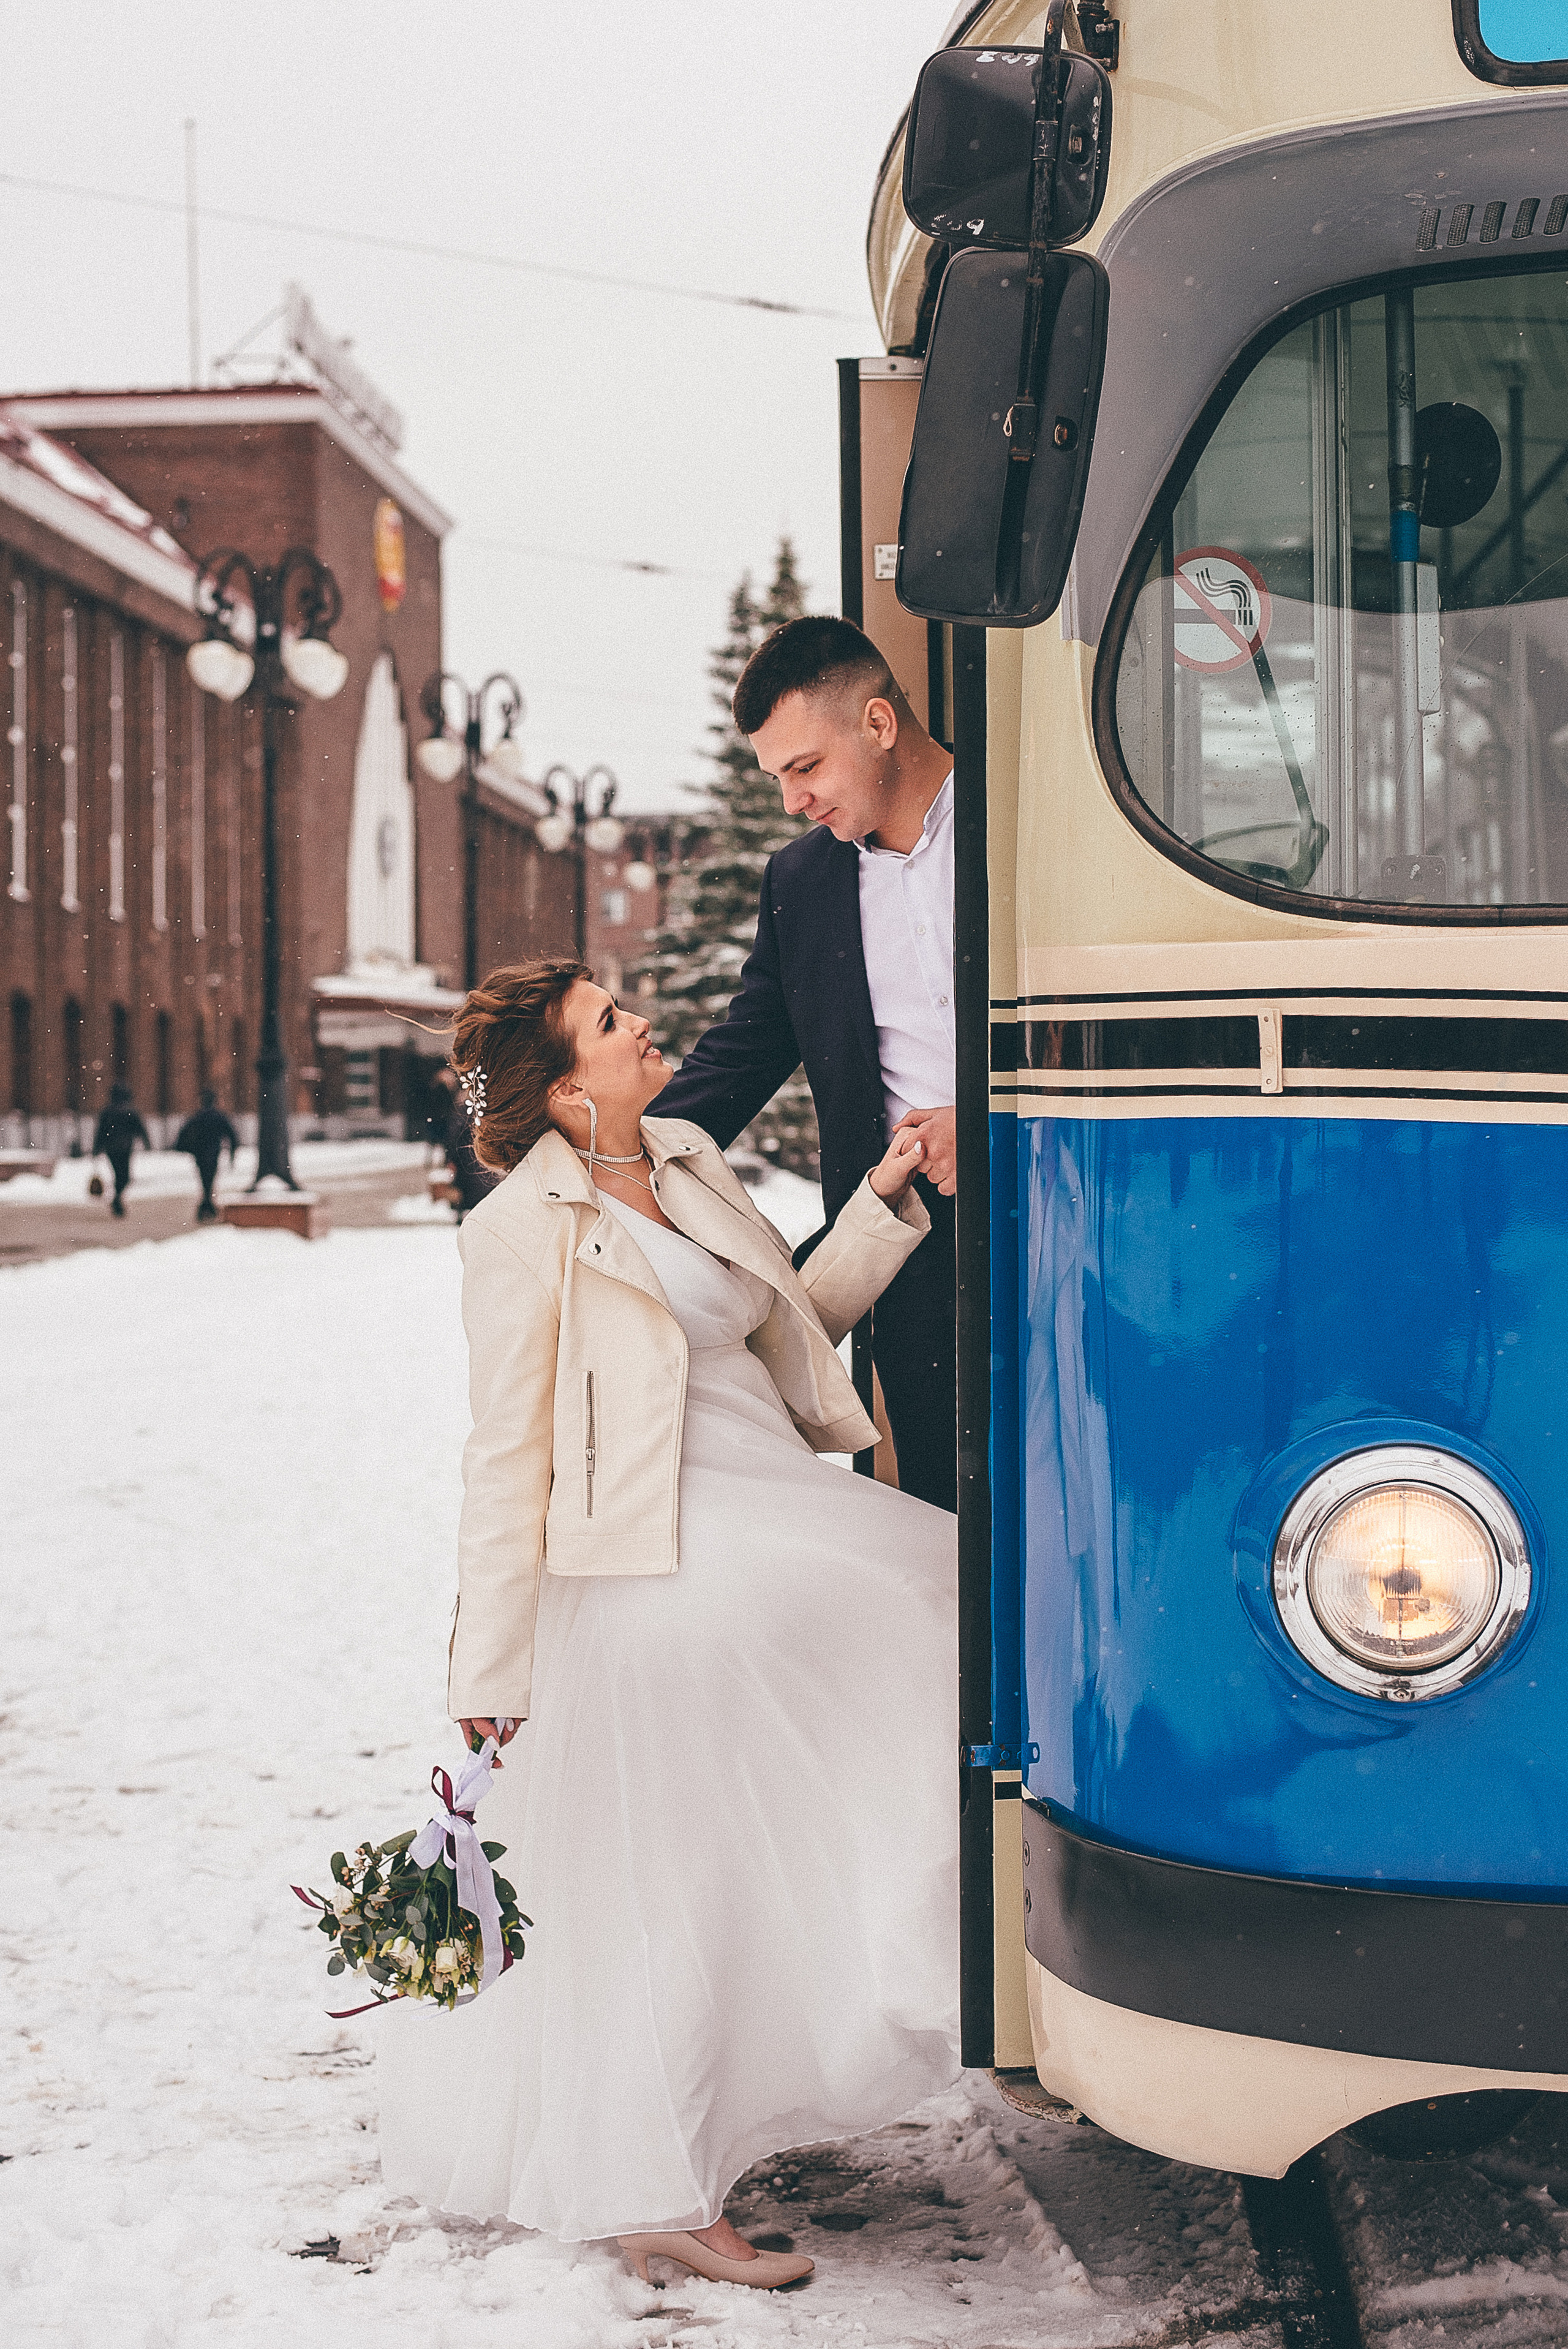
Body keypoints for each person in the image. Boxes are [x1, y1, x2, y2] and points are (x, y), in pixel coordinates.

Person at [377, 956, 959, 2288]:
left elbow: (780, 1329)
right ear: (565, 1086)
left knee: (920, 1634)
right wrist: (490, 1666)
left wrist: (873, 1208)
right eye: (608, 1019)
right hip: (655, 1560)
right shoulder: (518, 1230)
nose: (643, 1022)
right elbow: (503, 1454)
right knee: (677, 1883)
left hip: (771, 1506)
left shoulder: (688, 1159)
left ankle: (895, 1981)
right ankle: (654, 2187)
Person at [657, 616, 959, 1510]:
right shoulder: (801, 883)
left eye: (805, 768)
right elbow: (743, 1049)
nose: (793, 801)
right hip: (916, 1248)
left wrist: (994, 1119)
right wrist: (613, 1155)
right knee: (954, 1511)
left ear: (877, 724)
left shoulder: (1027, 825)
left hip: (1075, 1209)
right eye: (776, 776)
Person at [174, 1088, 239, 1223]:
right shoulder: (218, 1116)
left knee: (205, 1180)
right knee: (210, 1180)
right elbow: (232, 1135)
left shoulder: (198, 1116)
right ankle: (208, 1206)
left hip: (200, 1153)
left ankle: (206, 1206)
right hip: (213, 1153)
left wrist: (184, 1147)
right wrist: (232, 1153)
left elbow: (184, 1133)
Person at [91, 1082, 151, 1220]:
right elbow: (140, 1129)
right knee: (124, 1176)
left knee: (119, 1174)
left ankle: (117, 1200)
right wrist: (146, 1142)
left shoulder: (107, 1111)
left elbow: (101, 1132)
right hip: (125, 1148)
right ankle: (117, 1200)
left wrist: (97, 1148)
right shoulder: (129, 1110)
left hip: (112, 1149)